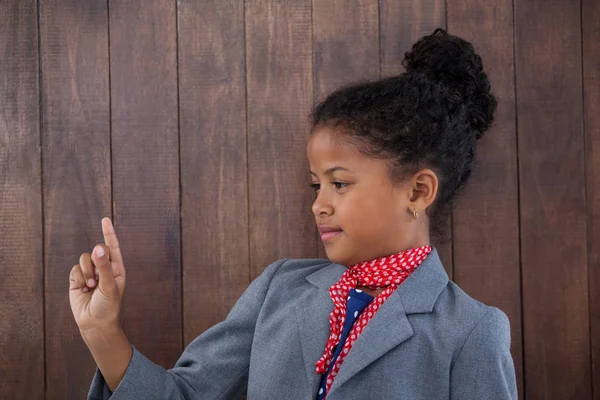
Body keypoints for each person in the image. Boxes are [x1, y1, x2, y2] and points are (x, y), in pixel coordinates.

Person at [69, 28, 518, 399]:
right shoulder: (278, 290)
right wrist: (102, 333)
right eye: (315, 184)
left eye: (339, 183)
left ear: (418, 191)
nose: (318, 204)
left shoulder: (471, 331)